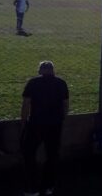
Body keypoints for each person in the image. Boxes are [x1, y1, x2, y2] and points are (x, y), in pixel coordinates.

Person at [21, 61, 69, 196]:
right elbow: (65, 105)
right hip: (55, 124)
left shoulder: (33, 83)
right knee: (52, 155)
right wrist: (61, 119)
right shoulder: (61, 83)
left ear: (40, 70)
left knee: (28, 153)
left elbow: (26, 104)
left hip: (36, 123)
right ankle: (49, 186)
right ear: (53, 70)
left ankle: (32, 187)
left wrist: (23, 122)